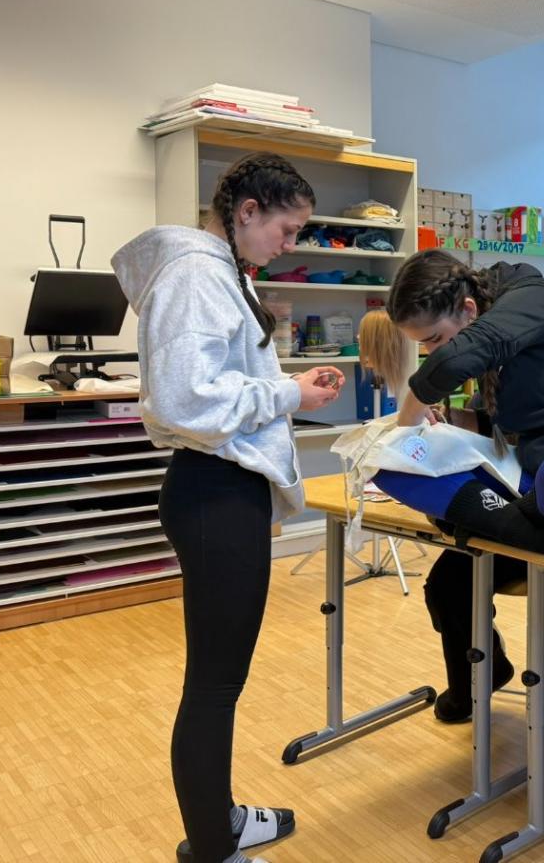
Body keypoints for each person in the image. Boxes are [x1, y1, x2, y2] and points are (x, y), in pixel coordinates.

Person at [113, 152, 345, 863]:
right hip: (214, 493)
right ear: (247, 212)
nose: (291, 244)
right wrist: (289, 394)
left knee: (222, 680)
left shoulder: (223, 272)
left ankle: (222, 819)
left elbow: (219, 378)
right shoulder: (195, 275)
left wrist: (289, 386)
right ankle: (213, 847)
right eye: (286, 228)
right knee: (214, 686)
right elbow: (186, 398)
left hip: (225, 489)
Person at [357, 249, 544, 724]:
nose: (432, 351)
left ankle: (502, 524)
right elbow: (507, 424)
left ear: (468, 309)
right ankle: (477, 680)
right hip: (535, 491)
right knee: (448, 582)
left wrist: (408, 420)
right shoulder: (496, 329)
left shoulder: (531, 300)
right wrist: (441, 428)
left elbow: (456, 360)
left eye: (433, 339)